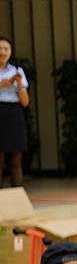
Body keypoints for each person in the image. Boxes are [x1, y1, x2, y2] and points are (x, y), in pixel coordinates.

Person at [0, 36, 29, 187]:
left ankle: (17, 199)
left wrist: (19, 85)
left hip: (14, 114)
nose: (2, 52)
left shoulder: (17, 71)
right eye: (0, 49)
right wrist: (1, 85)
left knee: (16, 159)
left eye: (6, 49)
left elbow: (25, 102)